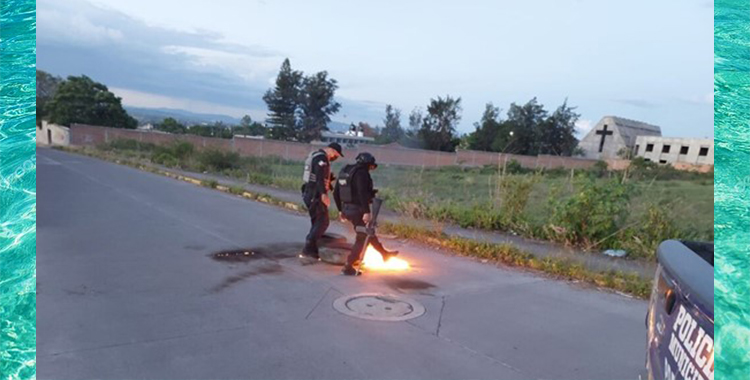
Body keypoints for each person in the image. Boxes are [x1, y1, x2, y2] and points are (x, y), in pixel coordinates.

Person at [333, 152, 398, 276]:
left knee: (368, 232)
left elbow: (336, 192)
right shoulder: (362, 173)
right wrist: (366, 212)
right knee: (362, 237)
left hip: (347, 209)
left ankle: (384, 254)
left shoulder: (346, 170)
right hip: (358, 210)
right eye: (371, 166)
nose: (371, 169)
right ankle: (348, 267)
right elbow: (362, 193)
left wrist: (340, 210)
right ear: (368, 164)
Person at [300, 142, 343, 259]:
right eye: (336, 154)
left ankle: (313, 251)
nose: (335, 157)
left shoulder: (315, 155)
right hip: (315, 194)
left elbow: (319, 176)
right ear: (332, 150)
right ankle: (308, 249)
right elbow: (319, 177)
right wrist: (323, 194)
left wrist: (330, 180)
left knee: (317, 221)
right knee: (323, 222)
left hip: (309, 192)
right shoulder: (321, 158)